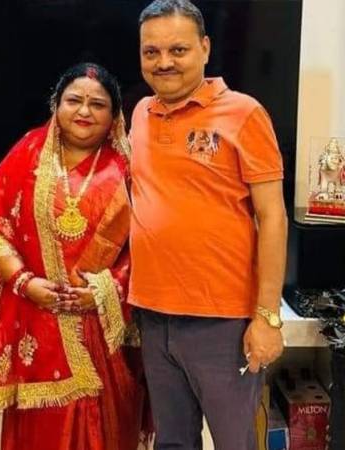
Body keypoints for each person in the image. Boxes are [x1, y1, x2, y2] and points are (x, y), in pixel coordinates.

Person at [0, 63, 149, 450]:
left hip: (101, 328)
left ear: (115, 116)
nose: (84, 111)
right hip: (37, 322)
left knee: (108, 432)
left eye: (98, 104)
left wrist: (104, 290)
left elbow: (147, 246)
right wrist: (24, 283)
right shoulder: (28, 155)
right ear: (56, 105)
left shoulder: (129, 169)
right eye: (74, 100)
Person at [129, 1, 288, 448]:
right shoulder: (140, 113)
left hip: (222, 323)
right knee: (172, 442)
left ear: (205, 48)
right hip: (153, 316)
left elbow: (273, 217)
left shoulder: (244, 113)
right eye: (151, 52)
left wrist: (267, 317)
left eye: (178, 50)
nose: (164, 62)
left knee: (234, 441)